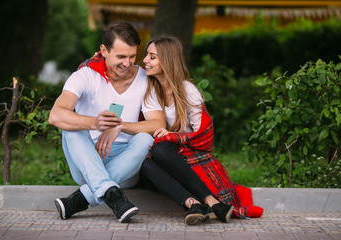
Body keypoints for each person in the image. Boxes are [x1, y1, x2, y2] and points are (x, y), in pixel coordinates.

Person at [48, 21, 165, 223]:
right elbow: (55, 115)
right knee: (71, 127)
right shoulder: (86, 75)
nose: (127, 63)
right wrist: (94, 123)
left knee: (145, 138)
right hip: (86, 161)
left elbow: (158, 123)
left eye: (131, 56)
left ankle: (86, 197)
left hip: (126, 166)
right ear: (104, 50)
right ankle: (109, 193)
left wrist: (121, 126)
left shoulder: (145, 79)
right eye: (120, 57)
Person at [140, 34, 236, 225]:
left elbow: (204, 135)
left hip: (189, 155)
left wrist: (174, 137)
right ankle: (195, 204)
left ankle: (206, 201)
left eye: (152, 57)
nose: (145, 60)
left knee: (160, 149)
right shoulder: (152, 91)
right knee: (145, 165)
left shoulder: (188, 91)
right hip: (165, 159)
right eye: (147, 55)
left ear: (167, 61)